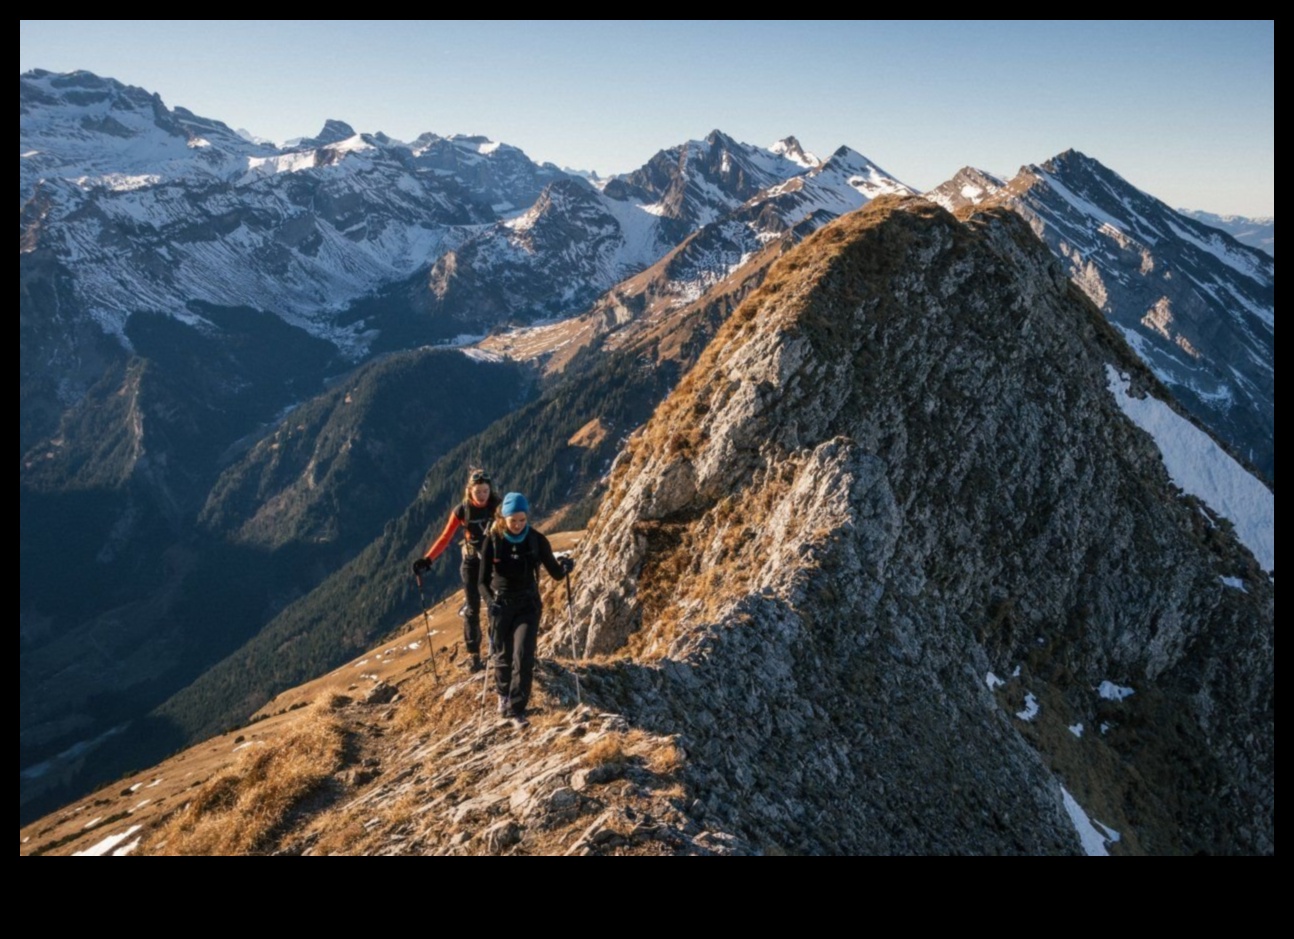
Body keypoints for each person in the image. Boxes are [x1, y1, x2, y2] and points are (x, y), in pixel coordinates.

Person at [479, 492, 574, 726]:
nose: (518, 525)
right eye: (514, 520)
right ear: (503, 518)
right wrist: (491, 603)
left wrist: (566, 567)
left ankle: (516, 708)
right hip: (501, 604)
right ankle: (503, 695)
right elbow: (481, 581)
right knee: (503, 656)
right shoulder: (493, 540)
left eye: (522, 519)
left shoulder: (536, 540)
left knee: (524, 654)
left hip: (528, 605)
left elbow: (556, 573)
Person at [412, 469, 501, 672]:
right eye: (478, 492)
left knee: (497, 604)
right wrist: (428, 560)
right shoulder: (462, 511)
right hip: (471, 562)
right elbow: (445, 537)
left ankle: (497, 649)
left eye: (485, 491)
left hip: (494, 562)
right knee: (472, 608)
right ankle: (474, 655)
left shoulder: (498, 507)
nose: (482, 496)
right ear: (469, 491)